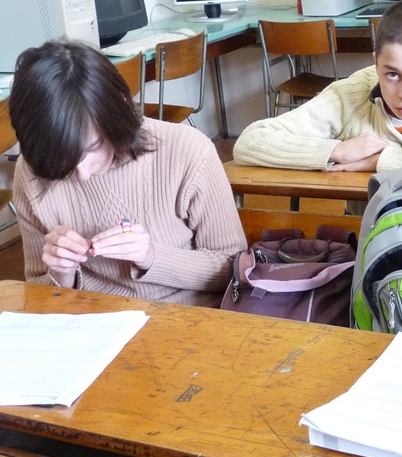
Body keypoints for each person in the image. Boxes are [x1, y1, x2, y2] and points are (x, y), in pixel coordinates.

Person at [9, 40, 247, 307]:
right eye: (61, 160)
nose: (82, 173)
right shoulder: (31, 170)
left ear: (118, 115)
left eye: (94, 147)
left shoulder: (188, 150)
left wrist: (152, 256)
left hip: (186, 317)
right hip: (92, 320)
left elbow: (234, 269)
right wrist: (62, 273)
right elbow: (39, 292)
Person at [233, 0, 402, 181]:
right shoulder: (350, 93)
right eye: (392, 74)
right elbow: (249, 142)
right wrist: (337, 150)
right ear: (376, 63)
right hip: (370, 233)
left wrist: (381, 161)